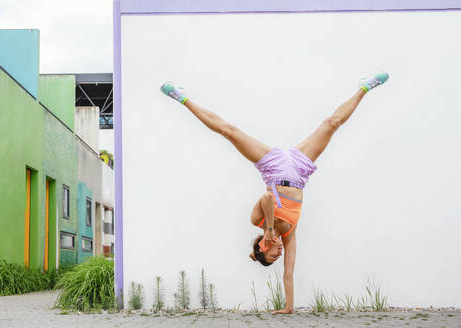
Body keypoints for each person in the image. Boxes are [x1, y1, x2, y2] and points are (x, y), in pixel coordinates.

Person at [160, 72, 389, 314]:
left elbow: (268, 198)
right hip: (300, 171)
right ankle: (365, 87)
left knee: (229, 131)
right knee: (331, 124)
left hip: (273, 167)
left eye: (271, 256)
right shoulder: (289, 234)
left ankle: (181, 97)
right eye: (276, 257)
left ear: (261, 246)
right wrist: (289, 308)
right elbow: (288, 274)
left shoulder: (256, 220)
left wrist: (269, 227)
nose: (278, 254)